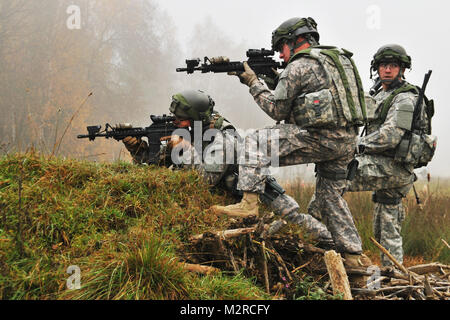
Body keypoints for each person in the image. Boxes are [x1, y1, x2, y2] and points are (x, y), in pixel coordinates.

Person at [209, 17, 371, 265]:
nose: (281, 55)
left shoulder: (300, 65)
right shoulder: (336, 60)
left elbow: (277, 110)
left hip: (321, 138)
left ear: (295, 41)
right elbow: (306, 92)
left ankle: (248, 204)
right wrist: (273, 77)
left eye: (281, 48)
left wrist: (253, 82)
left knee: (255, 141)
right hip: (347, 141)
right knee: (330, 197)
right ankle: (353, 254)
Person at [122, 89, 334, 245]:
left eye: (180, 119)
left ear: (196, 119)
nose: (176, 123)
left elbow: (205, 181)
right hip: (229, 200)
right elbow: (155, 166)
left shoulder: (221, 140)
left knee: (297, 222)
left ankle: (338, 243)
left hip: (259, 194)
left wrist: (185, 149)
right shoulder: (190, 132)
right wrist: (137, 149)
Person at [347, 44, 434, 266]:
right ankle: (392, 274)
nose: (387, 70)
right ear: (376, 68)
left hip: (394, 168)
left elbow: (390, 136)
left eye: (393, 66)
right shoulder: (380, 93)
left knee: (335, 176)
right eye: (383, 65)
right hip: (384, 164)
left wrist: (355, 145)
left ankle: (338, 245)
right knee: (385, 223)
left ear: (402, 69)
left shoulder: (405, 99)